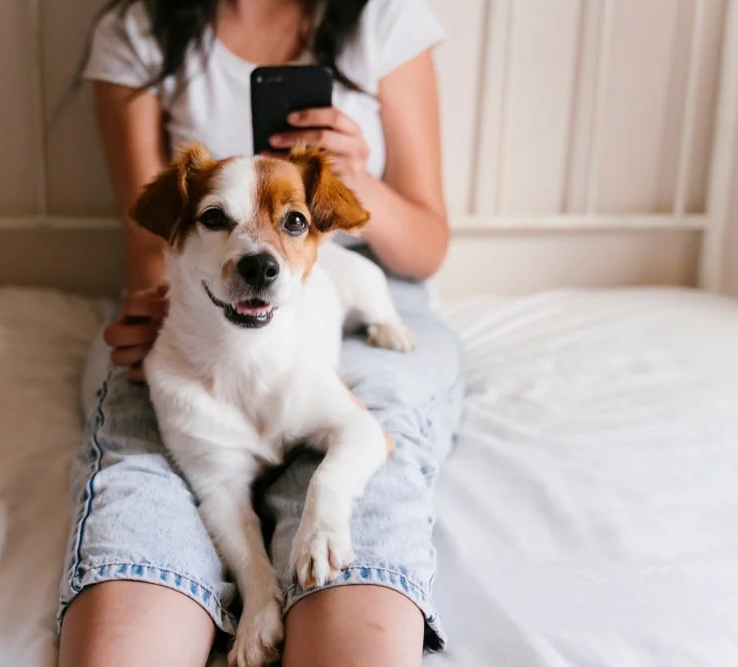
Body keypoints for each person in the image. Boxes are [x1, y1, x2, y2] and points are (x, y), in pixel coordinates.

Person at [57, 1, 464, 665]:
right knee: (144, 459)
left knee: (374, 447)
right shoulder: (139, 33)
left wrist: (354, 182)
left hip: (363, 288)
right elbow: (151, 245)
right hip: (190, 305)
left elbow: (426, 245)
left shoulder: (382, 17)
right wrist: (155, 319)